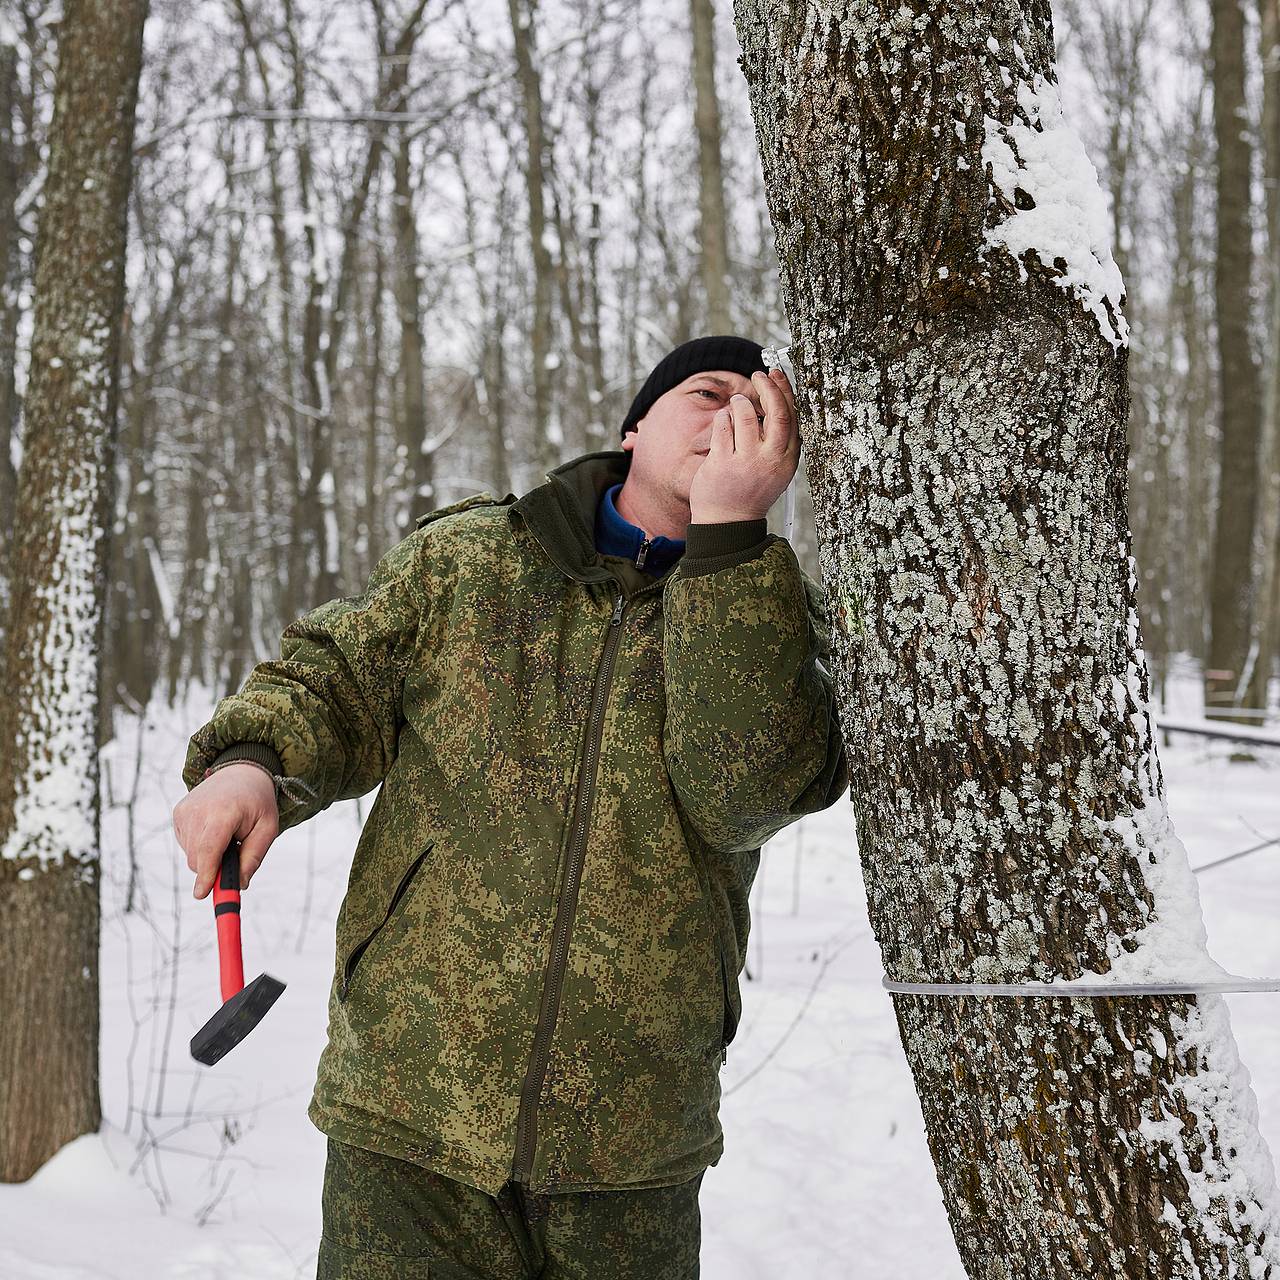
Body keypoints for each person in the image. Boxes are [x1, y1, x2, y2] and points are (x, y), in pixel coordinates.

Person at [173, 334, 850, 1279]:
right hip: (409, 1116)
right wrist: (252, 761)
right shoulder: (471, 560)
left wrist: (731, 539)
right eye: (708, 391)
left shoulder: (773, 616)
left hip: (630, 1143)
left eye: (761, 408)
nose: (734, 415)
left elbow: (744, 799)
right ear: (634, 424)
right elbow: (334, 677)